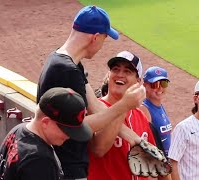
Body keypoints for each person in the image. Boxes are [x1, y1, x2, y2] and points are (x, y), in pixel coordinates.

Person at [36, 5, 145, 179]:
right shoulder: (66, 71)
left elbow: (95, 106)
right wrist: (124, 105)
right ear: (95, 37)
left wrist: (135, 139)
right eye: (104, 38)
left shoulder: (69, 63)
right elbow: (77, 126)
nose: (103, 44)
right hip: (66, 169)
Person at [87, 51, 156, 180]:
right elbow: (98, 149)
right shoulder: (95, 109)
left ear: (138, 81)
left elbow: (152, 163)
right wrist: (125, 104)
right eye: (115, 69)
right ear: (108, 75)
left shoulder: (140, 117)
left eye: (127, 71)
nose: (120, 75)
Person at [0, 87, 92, 180]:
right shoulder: (39, 161)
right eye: (66, 130)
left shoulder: (17, 130)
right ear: (45, 122)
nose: (68, 136)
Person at [139, 66, 172, 180]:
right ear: (145, 86)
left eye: (163, 84)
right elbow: (148, 148)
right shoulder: (144, 109)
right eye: (154, 85)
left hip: (166, 164)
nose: (159, 88)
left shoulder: (159, 105)